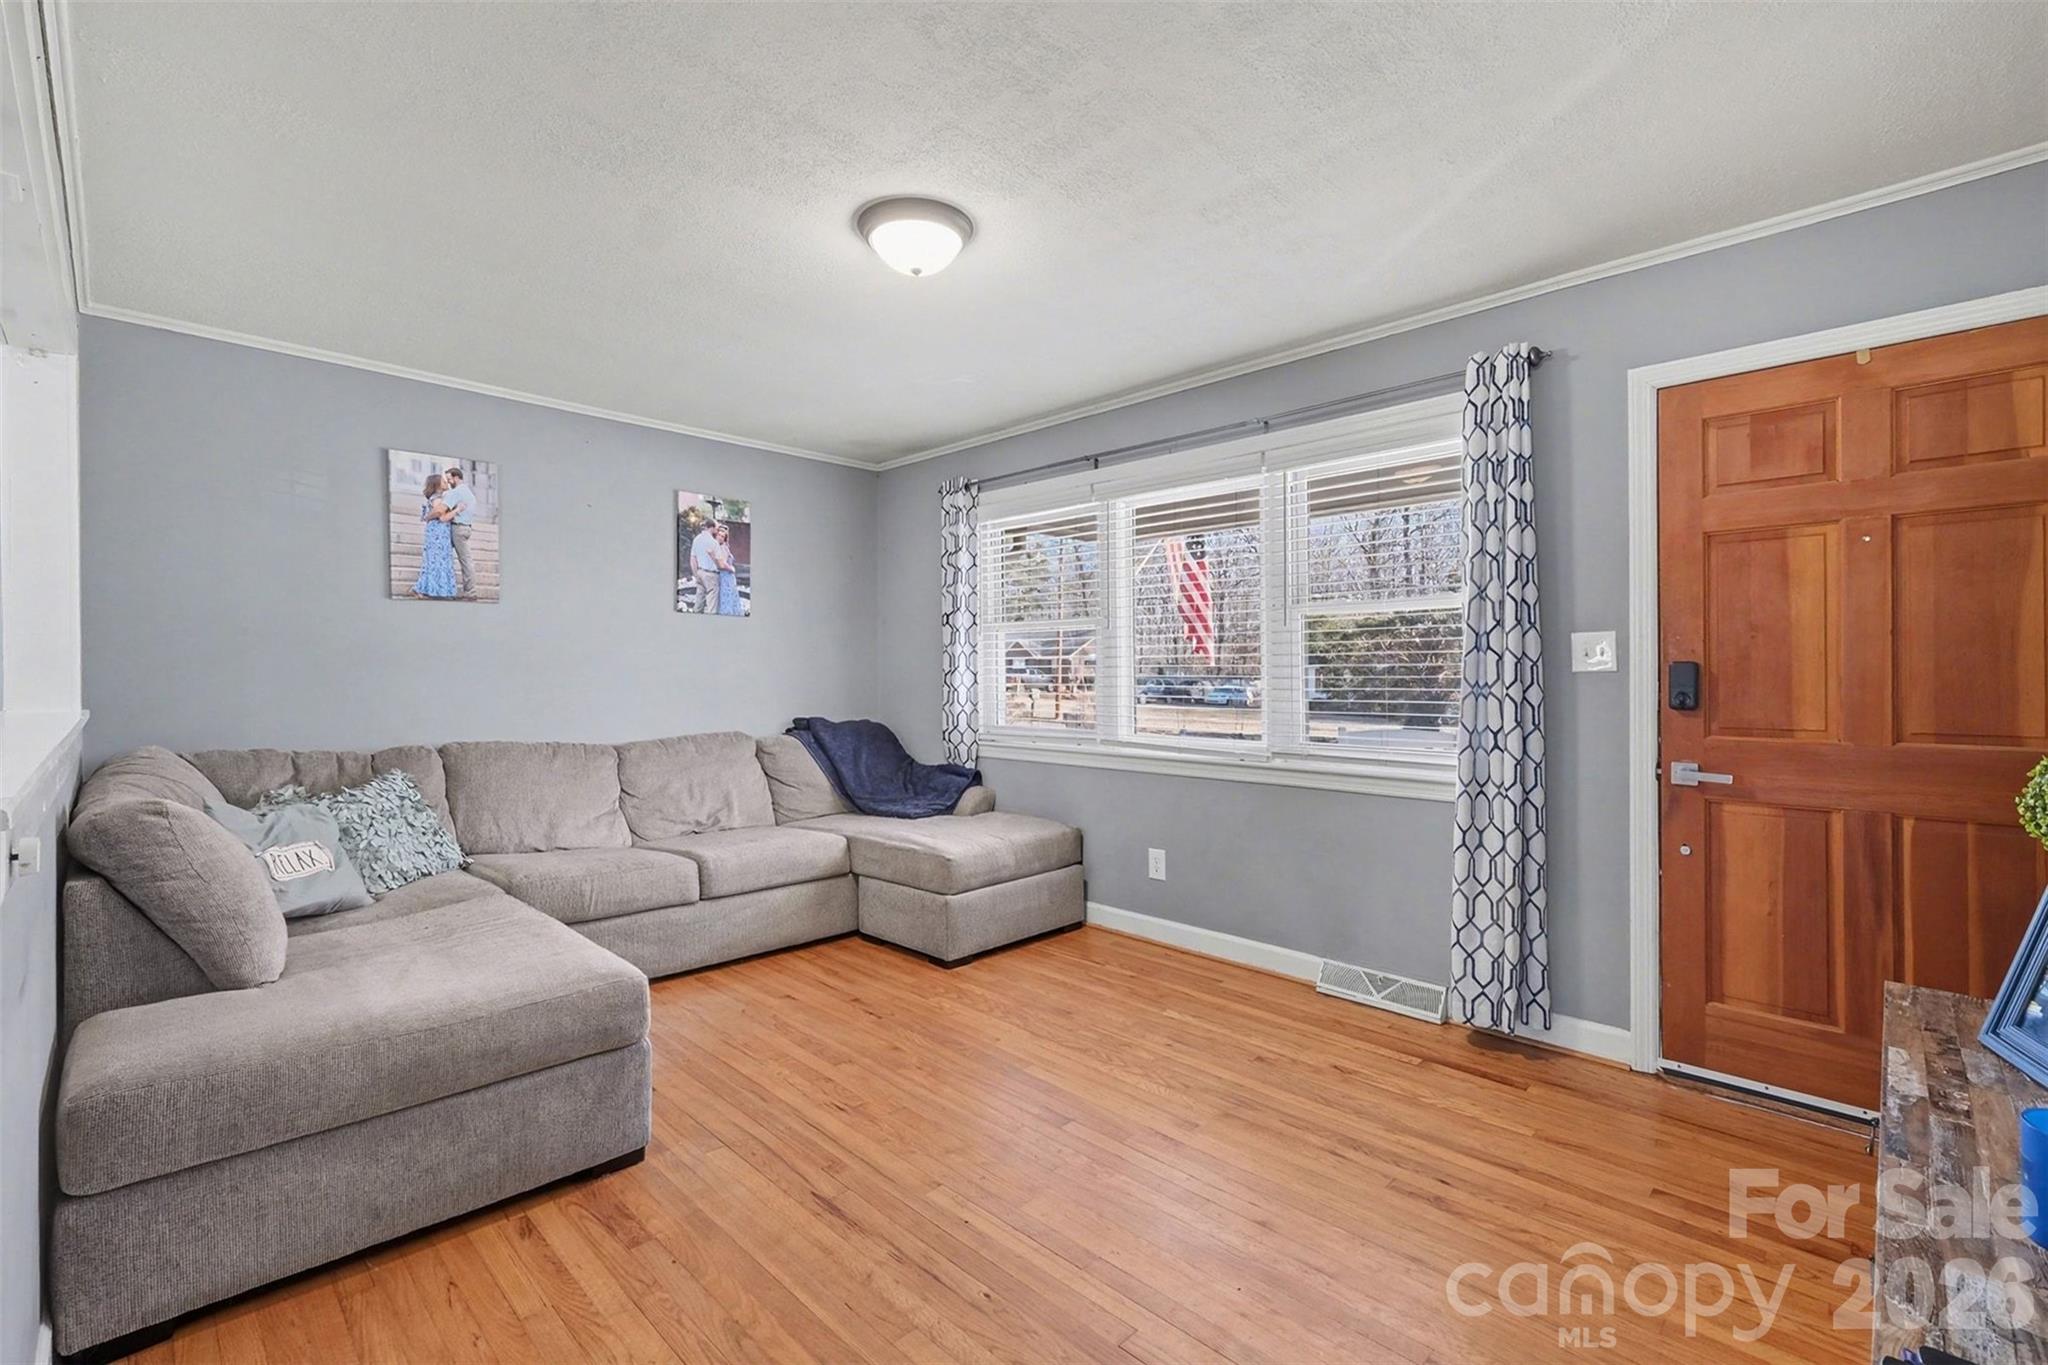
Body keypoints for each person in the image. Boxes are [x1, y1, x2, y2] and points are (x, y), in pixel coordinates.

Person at [411, 474, 460, 599]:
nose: (446, 483)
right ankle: (424, 588)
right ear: (437, 485)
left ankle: (433, 589)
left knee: (437, 560)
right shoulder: (437, 498)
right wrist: (457, 510)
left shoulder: (438, 498)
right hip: (438, 533)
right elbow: (442, 516)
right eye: (443, 481)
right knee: (437, 560)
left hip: (438, 532)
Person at [440, 465, 477, 598]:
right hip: (467, 527)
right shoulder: (469, 492)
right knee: (465, 559)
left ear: (456, 477)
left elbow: (442, 509)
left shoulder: (455, 492)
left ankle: (470, 592)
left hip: (458, 528)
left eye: (449, 479)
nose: (448, 482)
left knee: (466, 561)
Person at [688, 517, 722, 614]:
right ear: (711, 527)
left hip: (700, 572)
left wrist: (695, 574)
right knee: (712, 604)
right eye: (716, 528)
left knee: (699, 601)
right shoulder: (714, 543)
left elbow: (693, 559)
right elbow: (719, 563)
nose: (717, 530)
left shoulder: (696, 540)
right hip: (711, 574)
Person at [714, 522, 743, 616]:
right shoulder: (718, 547)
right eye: (719, 535)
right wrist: (731, 568)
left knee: (731, 598)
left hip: (729, 577)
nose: (720, 537)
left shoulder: (724, 547)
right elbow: (722, 564)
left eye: (723, 536)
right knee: (725, 598)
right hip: (724, 576)